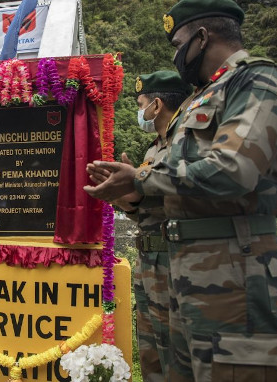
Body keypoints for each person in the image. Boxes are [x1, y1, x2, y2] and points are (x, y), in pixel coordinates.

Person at [84, 0, 277, 380]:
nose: (177, 55)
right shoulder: (201, 99)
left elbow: (234, 169)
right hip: (185, 273)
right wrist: (134, 198)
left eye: (178, 43)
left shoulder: (259, 81)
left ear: (202, 37)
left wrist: (139, 179)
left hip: (237, 271)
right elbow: (182, 185)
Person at [88, 71, 191, 381]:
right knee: (154, 358)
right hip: (152, 264)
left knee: (179, 358)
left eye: (140, 104)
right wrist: (128, 200)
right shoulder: (152, 151)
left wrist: (136, 182)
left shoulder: (186, 143)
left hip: (180, 266)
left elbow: (190, 200)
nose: (140, 111)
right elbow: (153, 213)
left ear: (156, 106)